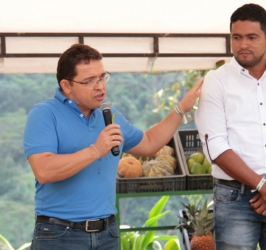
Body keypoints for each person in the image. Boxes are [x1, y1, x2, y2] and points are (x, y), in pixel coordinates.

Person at [23, 43, 202, 250]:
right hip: (60, 235)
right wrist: (96, 150)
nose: (100, 86)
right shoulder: (44, 114)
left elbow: (149, 143)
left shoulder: (109, 113)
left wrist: (180, 109)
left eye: (102, 77)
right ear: (66, 85)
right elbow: (44, 170)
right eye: (90, 81)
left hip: (107, 234)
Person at [195, 3, 266, 250]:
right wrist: (263, 186)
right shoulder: (216, 81)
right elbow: (216, 146)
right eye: (237, 37)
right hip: (235, 199)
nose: (243, 44)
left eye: (252, 37)